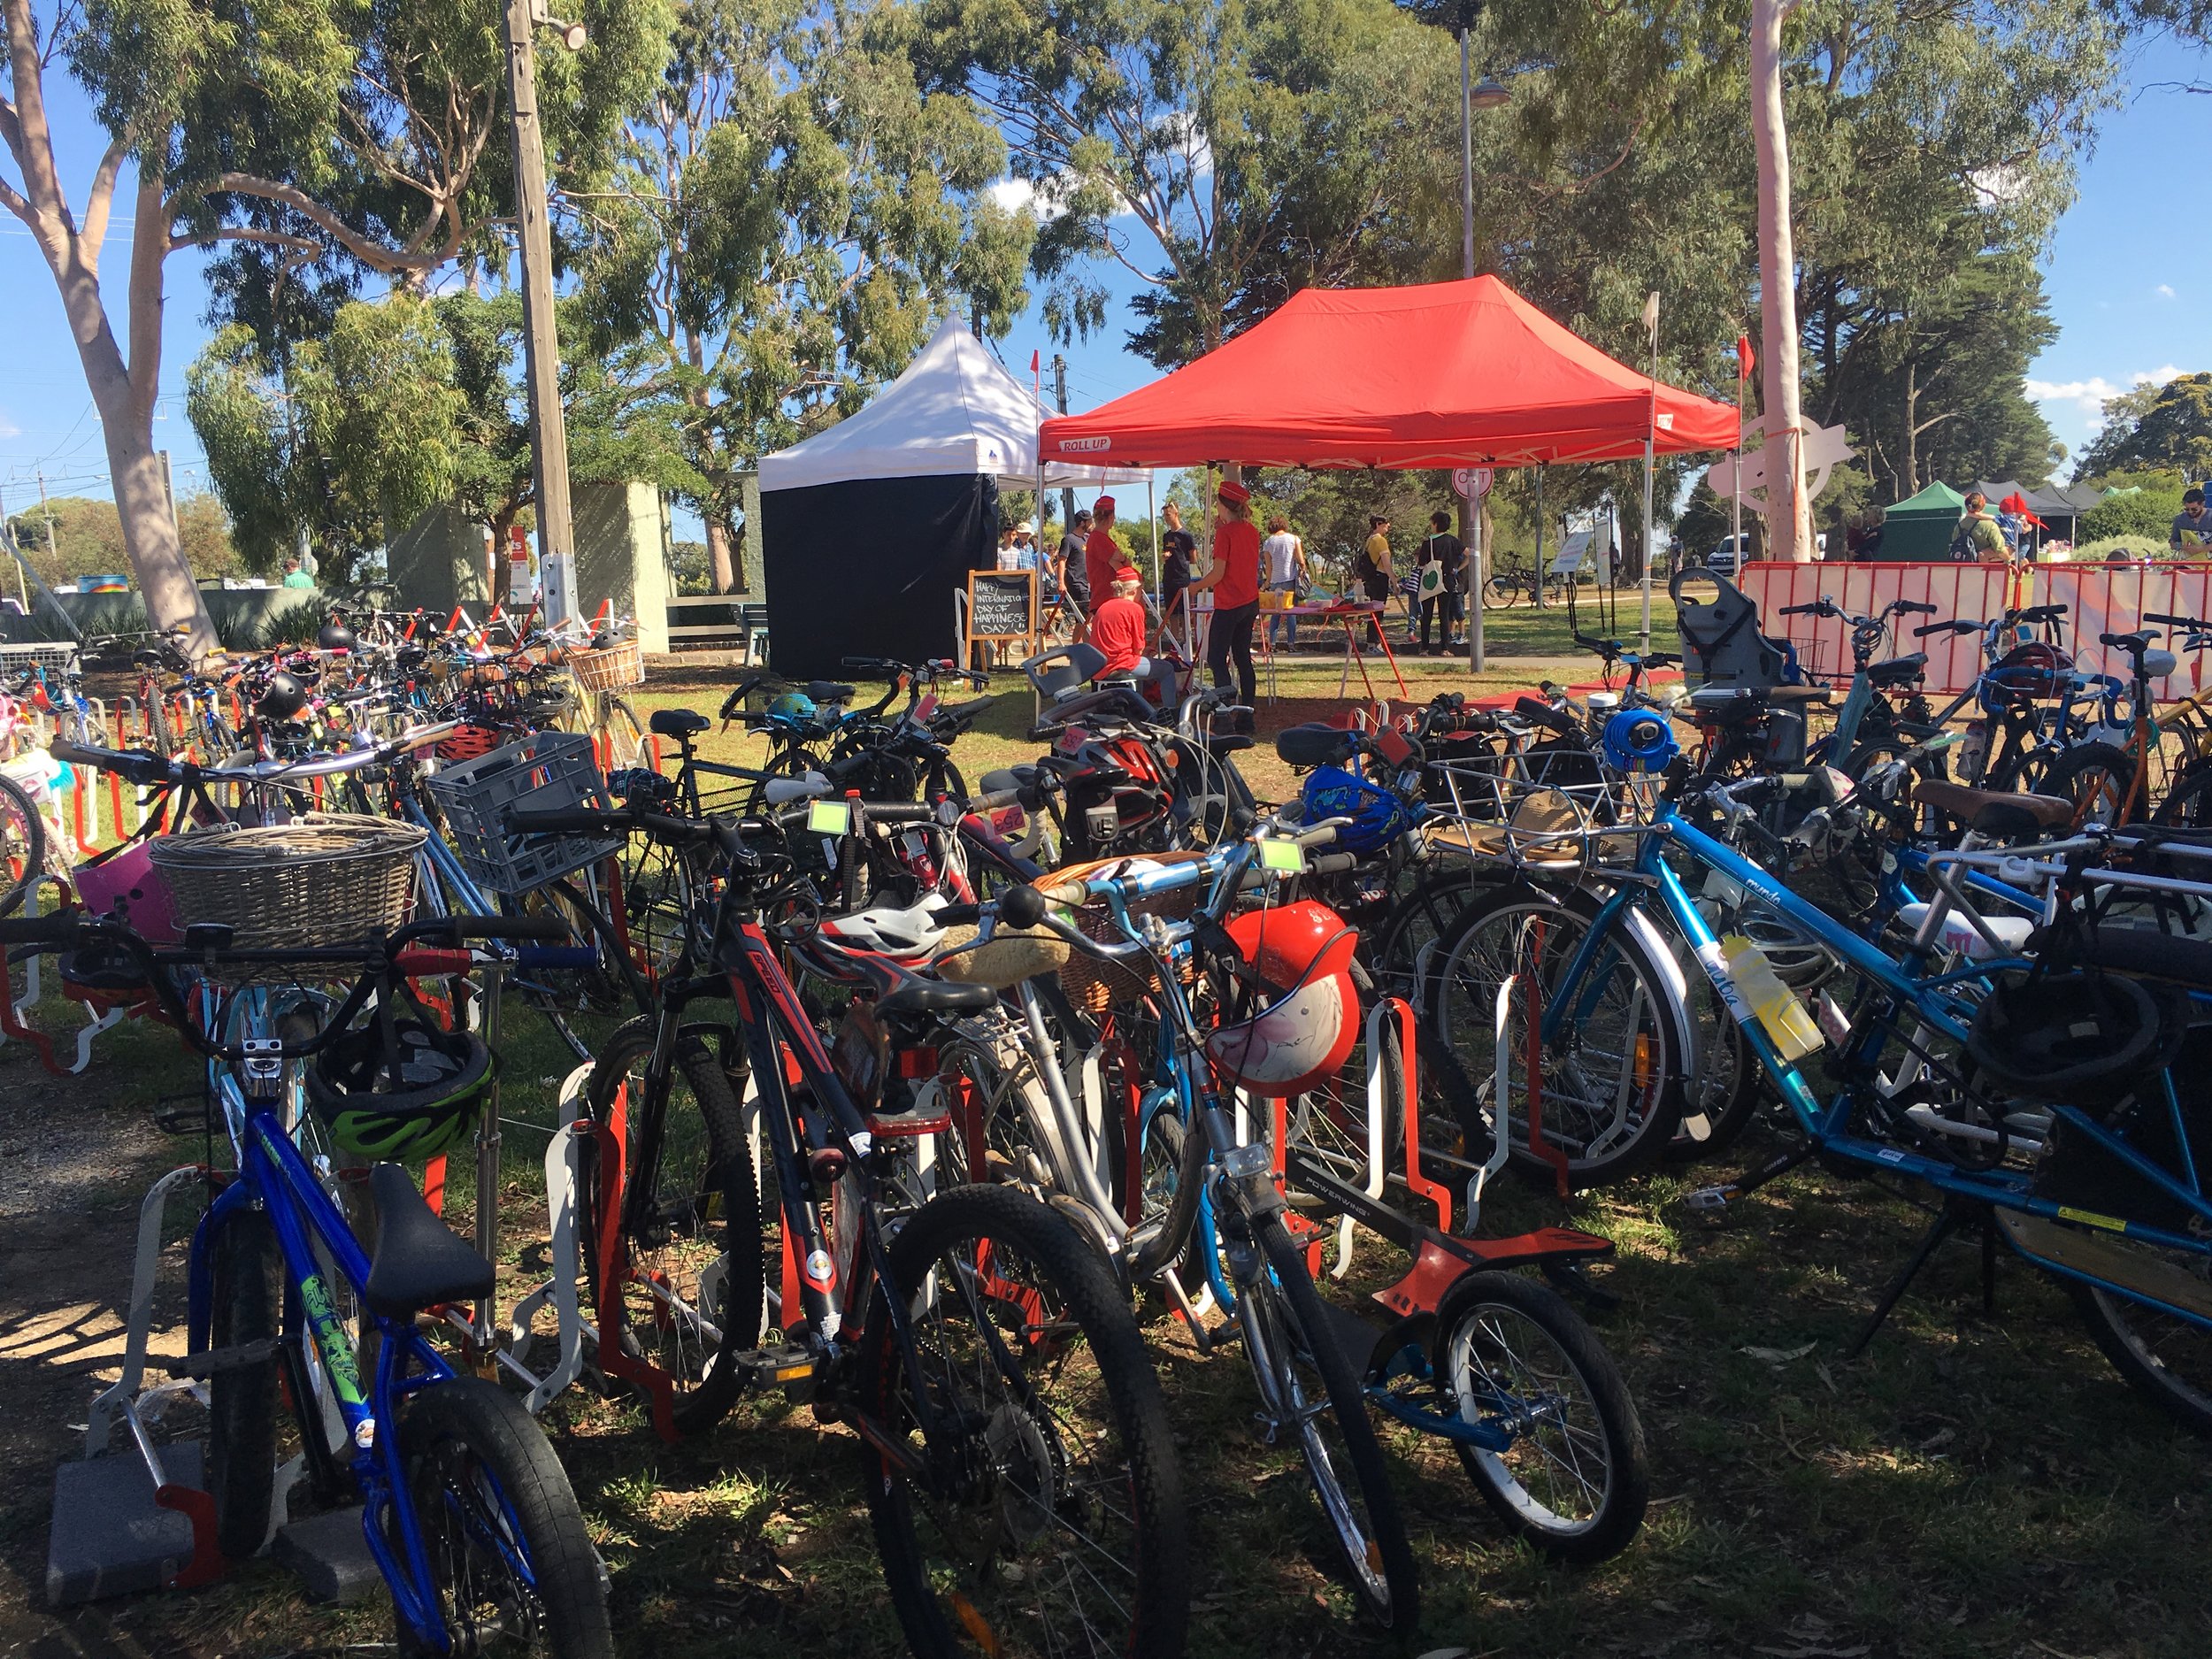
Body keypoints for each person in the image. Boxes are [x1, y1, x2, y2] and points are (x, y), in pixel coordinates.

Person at [1191, 478, 1262, 721]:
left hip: (1229, 603)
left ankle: (1223, 714)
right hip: (1250, 601)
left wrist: (1196, 586)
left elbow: (1218, 573)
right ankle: (1246, 716)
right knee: (1243, 658)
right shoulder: (1252, 531)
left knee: (1216, 658)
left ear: (1222, 505)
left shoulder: (1225, 533)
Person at [1415, 510, 1465, 653]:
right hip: (1447, 579)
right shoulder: (1452, 540)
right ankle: (1445, 648)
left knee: (1427, 615)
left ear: (1436, 524)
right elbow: (1468, 554)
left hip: (1431, 580)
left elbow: (1422, 563)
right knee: (1444, 614)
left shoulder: (1428, 543)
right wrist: (1457, 568)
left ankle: (1425, 647)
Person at [1089, 566, 1153, 680]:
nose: (1141, 594)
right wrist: (1144, 653)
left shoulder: (1103, 607)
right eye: (1141, 590)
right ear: (1134, 590)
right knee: (1167, 669)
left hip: (1099, 667)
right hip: (1122, 664)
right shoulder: (1134, 609)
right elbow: (1139, 648)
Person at [1260, 514, 1307, 649]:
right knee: (1291, 612)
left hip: (1275, 581)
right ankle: (1291, 644)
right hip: (1289, 579)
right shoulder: (1294, 539)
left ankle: (1273, 643)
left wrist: (1268, 581)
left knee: (1276, 613)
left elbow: (1268, 566)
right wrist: (1303, 569)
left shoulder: (1268, 542)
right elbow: (1301, 560)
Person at [1353, 515, 1392, 649]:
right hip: (1380, 578)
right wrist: (1394, 580)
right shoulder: (1380, 540)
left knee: (1374, 611)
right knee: (1378, 611)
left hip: (1371, 579)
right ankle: (1373, 644)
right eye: (1385, 523)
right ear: (1378, 524)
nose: (1388, 526)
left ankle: (1374, 643)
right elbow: (1386, 564)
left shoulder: (1369, 540)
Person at [1055, 510, 1092, 641]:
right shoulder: (1069, 539)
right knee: (1084, 618)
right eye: (1089, 521)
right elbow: (1062, 561)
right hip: (1076, 583)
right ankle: (1081, 648)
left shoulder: (1087, 539)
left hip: (1088, 583)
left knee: (1084, 619)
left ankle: (1084, 648)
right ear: (1082, 523)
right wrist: (1061, 582)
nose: (1091, 524)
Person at [1084, 495, 1125, 616]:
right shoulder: (1099, 539)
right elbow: (1119, 567)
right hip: (1106, 599)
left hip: (1104, 599)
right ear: (1111, 517)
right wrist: (1125, 559)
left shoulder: (1099, 538)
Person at [1160, 524, 1196, 646]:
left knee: (1185, 614)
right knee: (1172, 614)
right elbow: (1165, 552)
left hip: (1182, 578)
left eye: (1168, 515)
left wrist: (1183, 563)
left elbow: (1193, 558)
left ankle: (1187, 646)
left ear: (1176, 515)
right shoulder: (1166, 536)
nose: (1166, 518)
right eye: (1164, 515)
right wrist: (1165, 556)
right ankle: (1174, 647)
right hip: (1168, 579)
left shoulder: (1186, 535)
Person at [1953, 491, 2008, 564]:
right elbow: (2000, 550)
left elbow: (1954, 543)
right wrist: (2009, 559)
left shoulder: (1958, 526)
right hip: (1983, 567)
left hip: (1962, 566)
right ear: (1983, 505)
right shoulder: (1990, 526)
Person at [2173, 488, 2210, 556]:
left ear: (2203, 504)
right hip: (2187, 560)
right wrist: (2181, 546)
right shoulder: (2179, 519)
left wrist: (2201, 549)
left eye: (2194, 509)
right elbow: (2173, 542)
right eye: (2187, 509)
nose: (2190, 512)